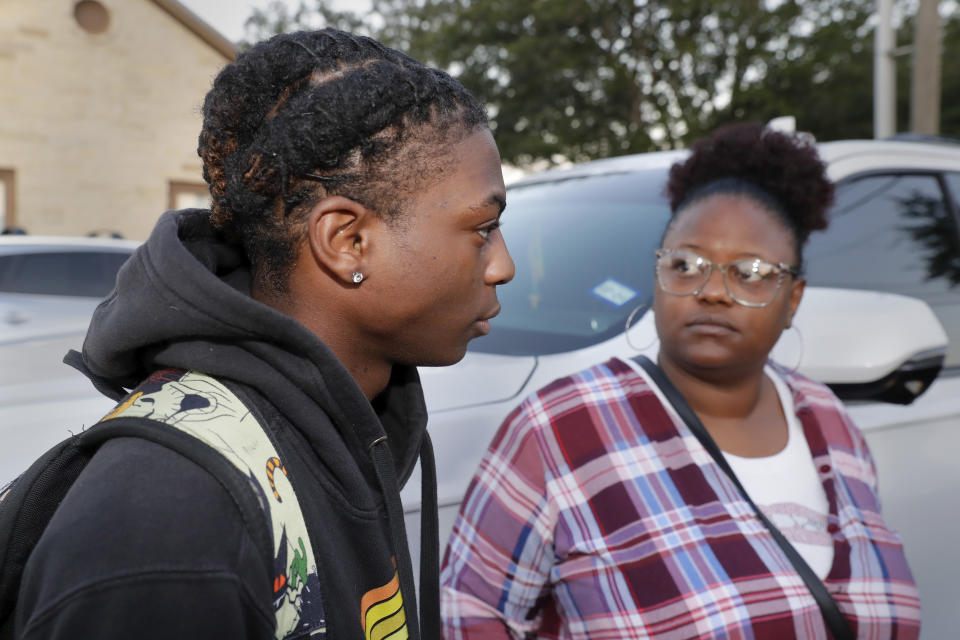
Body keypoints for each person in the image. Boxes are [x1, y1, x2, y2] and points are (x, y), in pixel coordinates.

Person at [13, 29, 513, 640]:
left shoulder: (357, 419)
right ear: (346, 241)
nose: (502, 266)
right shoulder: (170, 527)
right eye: (483, 228)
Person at [439, 122, 921, 638]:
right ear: (658, 274)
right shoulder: (559, 429)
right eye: (687, 264)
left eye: (751, 272)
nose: (713, 291)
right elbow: (467, 611)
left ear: (793, 299)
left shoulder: (831, 422)